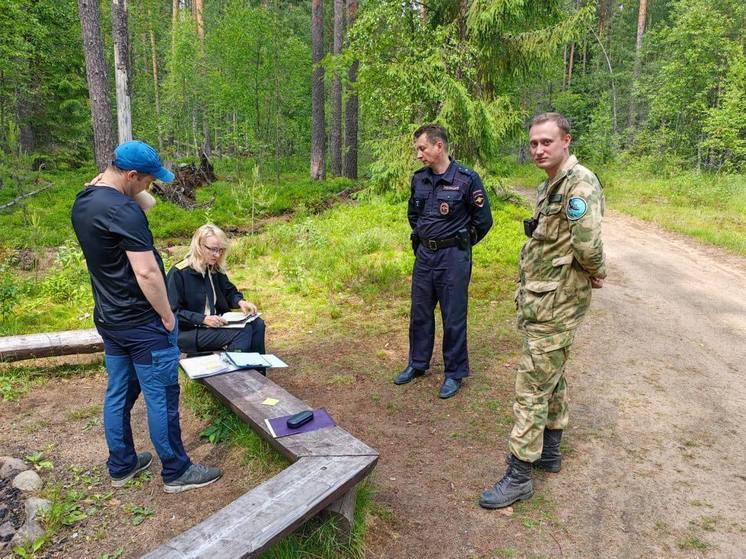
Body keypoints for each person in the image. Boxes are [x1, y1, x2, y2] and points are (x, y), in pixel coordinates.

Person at [71, 140, 223, 494]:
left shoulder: (86, 201)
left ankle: (121, 464)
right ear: (132, 174)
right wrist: (168, 316)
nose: (151, 187)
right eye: (148, 179)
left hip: (110, 319)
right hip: (143, 322)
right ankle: (176, 471)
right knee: (162, 397)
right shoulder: (123, 211)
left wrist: (119, 184)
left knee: (119, 392)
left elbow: (147, 202)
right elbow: (148, 274)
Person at [479, 112, 607, 509]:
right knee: (552, 374)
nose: (538, 149)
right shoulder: (550, 184)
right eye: (534, 143)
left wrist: (597, 272)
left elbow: (587, 245)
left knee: (531, 386)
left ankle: (519, 475)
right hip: (543, 298)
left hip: (557, 301)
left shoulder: (578, 184)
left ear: (566, 141)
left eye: (546, 142)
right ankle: (550, 451)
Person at [393, 124, 493, 399]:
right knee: (420, 312)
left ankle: (454, 373)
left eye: (422, 148)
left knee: (453, 316)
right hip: (425, 255)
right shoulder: (419, 179)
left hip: (453, 258)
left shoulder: (466, 179)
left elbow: (483, 221)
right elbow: (414, 215)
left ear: (439, 147)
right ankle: (417, 363)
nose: (418, 155)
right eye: (417, 150)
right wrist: (425, 238)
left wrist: (459, 243)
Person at [166, 224, 266, 369]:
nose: (217, 255)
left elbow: (229, 291)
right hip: (188, 332)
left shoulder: (213, 268)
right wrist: (204, 319)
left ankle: (258, 373)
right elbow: (172, 313)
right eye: (213, 249)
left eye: (220, 250)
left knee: (257, 324)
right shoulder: (179, 273)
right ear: (199, 245)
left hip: (215, 324)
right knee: (242, 333)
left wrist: (240, 302)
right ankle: (237, 381)